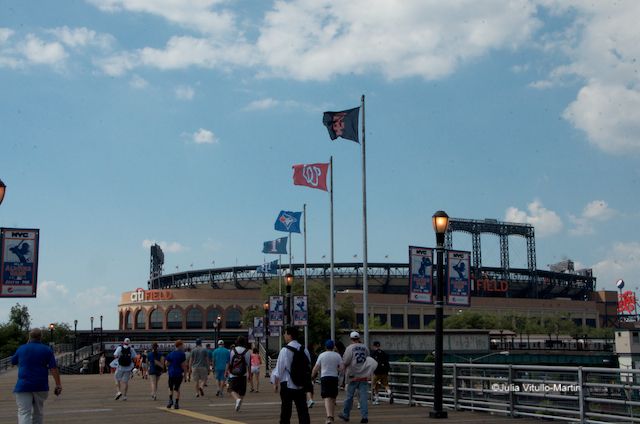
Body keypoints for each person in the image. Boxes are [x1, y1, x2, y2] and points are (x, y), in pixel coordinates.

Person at [12, 328, 62, 424]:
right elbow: (53, 368)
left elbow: (13, 361)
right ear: (41, 337)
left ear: (29, 337)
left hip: (23, 385)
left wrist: (26, 345)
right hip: (40, 385)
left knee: (24, 412)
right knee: (38, 412)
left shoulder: (22, 348)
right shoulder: (47, 349)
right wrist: (58, 384)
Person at [272, 326, 311, 424]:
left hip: (287, 384)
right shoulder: (304, 349)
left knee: (286, 411)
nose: (284, 336)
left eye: (285, 333)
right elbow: (308, 365)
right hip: (301, 384)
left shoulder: (284, 350)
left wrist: (275, 383)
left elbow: (279, 369)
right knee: (302, 410)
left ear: (289, 335)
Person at [339, 331, 370, 424]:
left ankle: (346, 414)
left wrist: (341, 371)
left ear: (351, 339)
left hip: (353, 375)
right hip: (363, 374)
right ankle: (364, 416)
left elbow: (346, 361)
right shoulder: (365, 347)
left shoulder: (349, 348)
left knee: (349, 396)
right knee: (363, 397)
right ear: (359, 338)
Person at [312, 339, 343, 424]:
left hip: (325, 377)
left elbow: (316, 368)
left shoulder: (322, 355)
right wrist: (336, 369)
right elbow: (342, 368)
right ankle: (331, 416)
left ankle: (329, 417)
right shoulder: (337, 355)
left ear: (325, 346)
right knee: (332, 397)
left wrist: (312, 376)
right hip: (334, 378)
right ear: (333, 347)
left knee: (327, 397)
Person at [225, 336, 251, 411]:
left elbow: (228, 363)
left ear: (237, 342)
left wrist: (226, 371)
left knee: (231, 389)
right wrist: (250, 376)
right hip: (243, 374)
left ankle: (237, 400)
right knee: (242, 392)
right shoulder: (247, 351)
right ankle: (238, 403)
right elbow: (249, 365)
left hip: (233, 374)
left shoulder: (232, 351)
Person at [165, 340, 187, 409]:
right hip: (178, 373)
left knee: (170, 388)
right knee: (177, 389)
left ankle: (170, 400)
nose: (183, 347)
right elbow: (183, 366)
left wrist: (170, 366)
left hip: (171, 373)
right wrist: (185, 375)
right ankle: (176, 403)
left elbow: (166, 363)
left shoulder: (170, 354)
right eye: (182, 345)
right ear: (179, 346)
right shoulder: (182, 354)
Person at [370, 341, 393, 405]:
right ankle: (389, 392)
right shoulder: (383, 353)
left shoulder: (373, 353)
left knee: (374, 385)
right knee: (386, 385)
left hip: (376, 372)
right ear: (379, 346)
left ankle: (377, 400)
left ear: (374, 346)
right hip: (384, 372)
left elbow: (371, 362)